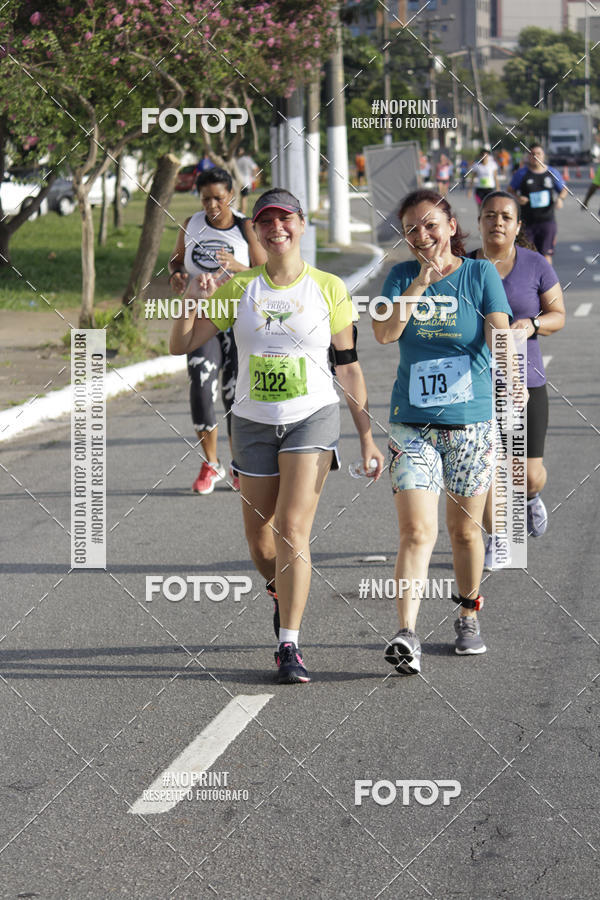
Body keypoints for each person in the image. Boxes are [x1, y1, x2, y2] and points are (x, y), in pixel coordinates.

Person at [170, 188, 384, 684]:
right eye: (266, 222)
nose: (275, 229)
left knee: (292, 528)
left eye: (285, 219)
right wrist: (188, 300)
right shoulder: (238, 289)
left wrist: (366, 437)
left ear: (302, 225)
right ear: (257, 231)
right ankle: (279, 589)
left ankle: (289, 644)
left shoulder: (328, 287)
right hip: (250, 421)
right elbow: (182, 343)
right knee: (260, 541)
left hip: (312, 416)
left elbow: (348, 368)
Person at [373, 189, 512, 674]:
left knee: (465, 534)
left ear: (452, 226)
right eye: (412, 229)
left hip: (471, 424)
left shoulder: (480, 274)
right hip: (412, 424)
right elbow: (385, 334)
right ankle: (407, 633)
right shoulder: (398, 277)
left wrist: (511, 378)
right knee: (416, 530)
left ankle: (468, 612)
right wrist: (419, 285)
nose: (422, 235)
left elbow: (499, 332)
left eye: (431, 225)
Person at [470, 191, 565, 563]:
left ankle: (530, 498)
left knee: (527, 474)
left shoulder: (536, 264)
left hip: (525, 382)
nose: (498, 222)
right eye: (490, 215)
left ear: (518, 225)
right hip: (477, 382)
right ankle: (498, 538)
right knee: (492, 467)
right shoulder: (464, 266)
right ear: (479, 222)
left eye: (506, 217)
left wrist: (533, 323)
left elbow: (558, 314)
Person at [169, 167, 266, 494]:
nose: (212, 205)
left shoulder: (245, 227)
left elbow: (267, 272)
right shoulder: (191, 225)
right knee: (200, 383)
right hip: (203, 318)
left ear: (231, 197)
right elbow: (176, 263)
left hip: (239, 320)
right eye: (206, 198)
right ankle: (211, 463)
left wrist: (239, 268)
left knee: (233, 393)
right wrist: (178, 276)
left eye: (219, 198)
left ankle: (239, 464)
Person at [509, 143, 567, 263]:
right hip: (527, 222)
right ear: (528, 156)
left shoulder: (552, 172)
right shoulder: (522, 173)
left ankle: (547, 281)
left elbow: (564, 190)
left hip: (547, 220)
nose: (535, 156)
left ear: (543, 156)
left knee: (546, 255)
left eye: (538, 154)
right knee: (525, 256)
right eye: (532, 154)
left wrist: (560, 199)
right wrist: (518, 198)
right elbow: (510, 190)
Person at [235, 147, 259, 215]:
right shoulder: (248, 159)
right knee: (244, 198)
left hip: (237, 181)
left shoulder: (236, 159)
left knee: (237, 198)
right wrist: (254, 177)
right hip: (246, 181)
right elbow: (255, 168)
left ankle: (237, 212)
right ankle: (242, 214)